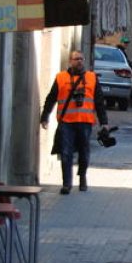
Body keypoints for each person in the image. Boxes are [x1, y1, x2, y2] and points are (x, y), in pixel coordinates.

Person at [40, 49, 110, 195]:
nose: (79, 61)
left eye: (81, 59)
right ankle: (67, 183)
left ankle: (82, 176)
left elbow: (99, 101)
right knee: (66, 153)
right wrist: (45, 116)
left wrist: (104, 122)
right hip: (67, 122)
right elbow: (51, 98)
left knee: (84, 153)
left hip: (85, 122)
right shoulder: (61, 78)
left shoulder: (91, 78)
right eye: (76, 59)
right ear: (70, 61)